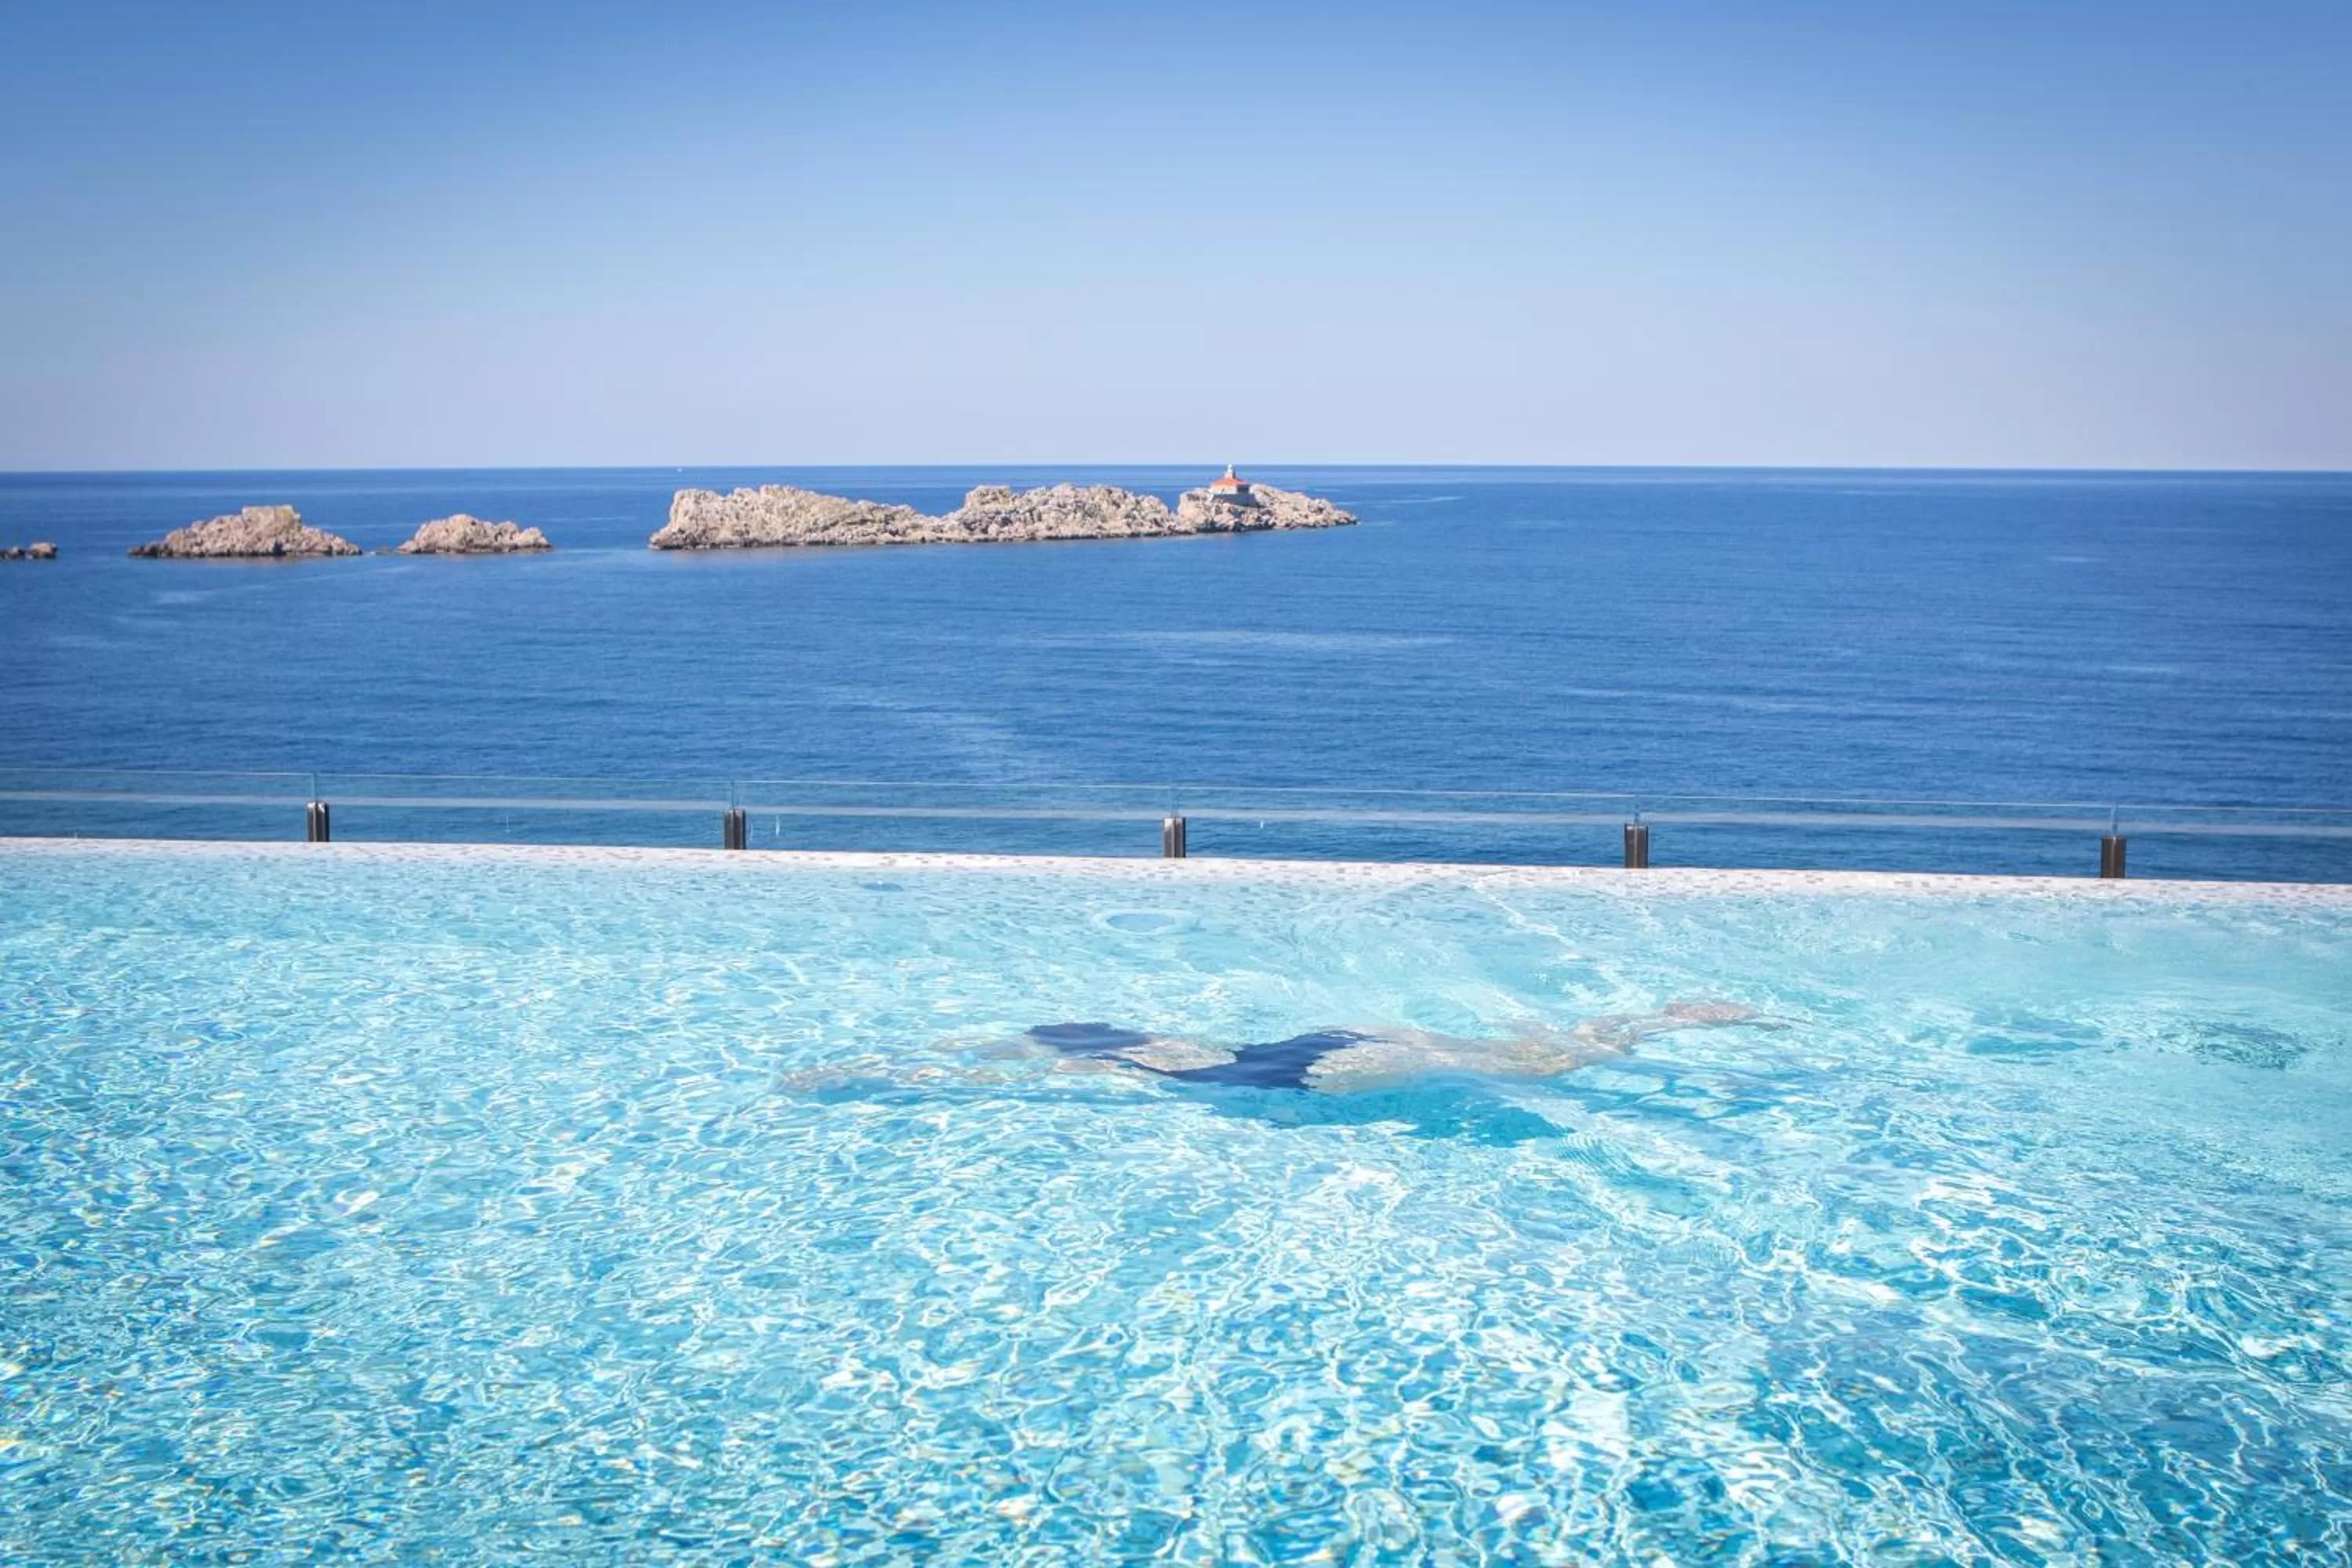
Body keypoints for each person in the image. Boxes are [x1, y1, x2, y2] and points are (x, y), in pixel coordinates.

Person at [1020, 1002, 1783, 1094]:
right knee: (1531, 1054)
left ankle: (1662, 1022)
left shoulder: (1147, 1066)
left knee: (1548, 1065)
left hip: (1330, 1062)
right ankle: (1660, 1016)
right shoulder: (1157, 1043)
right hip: (1333, 1037)